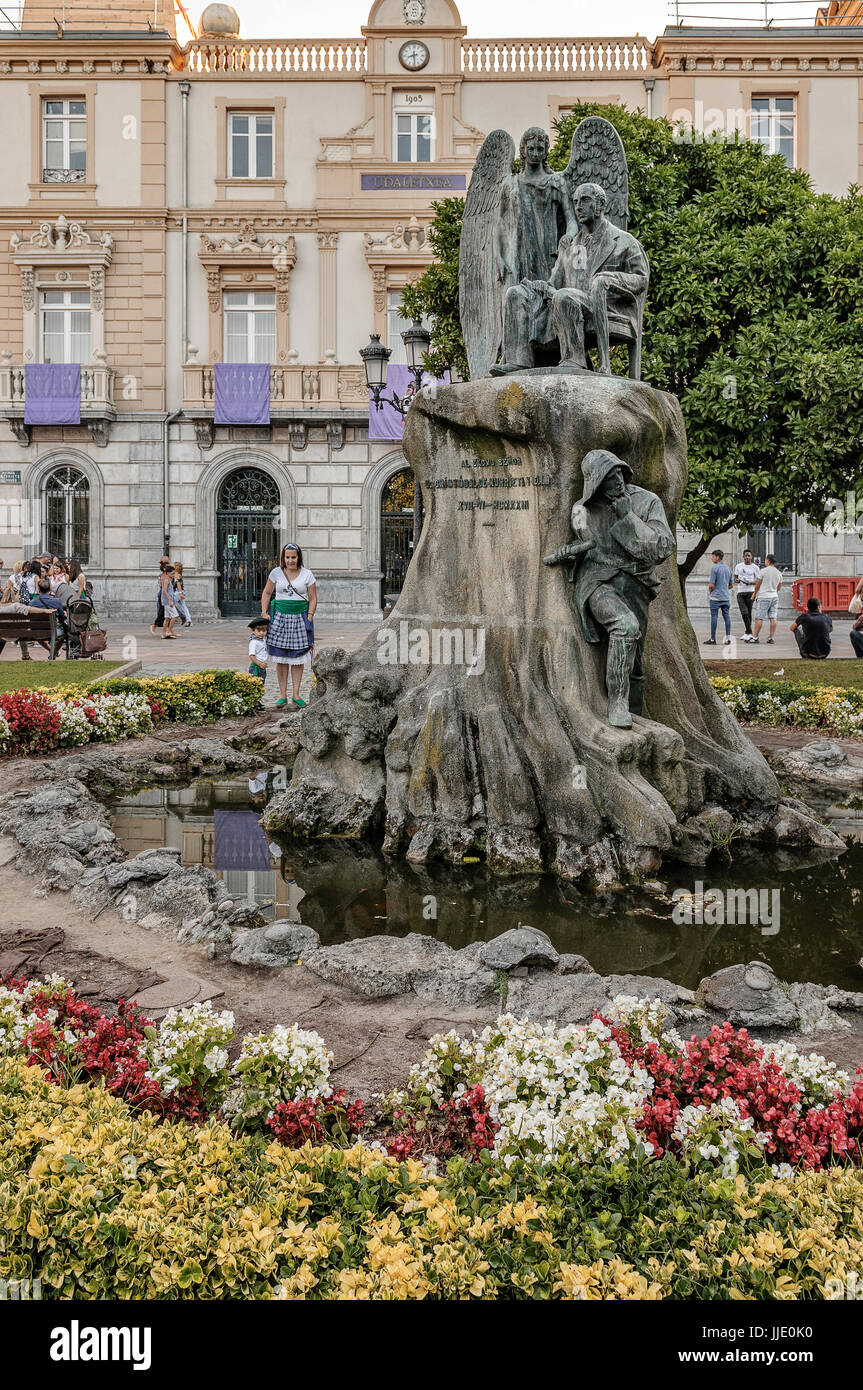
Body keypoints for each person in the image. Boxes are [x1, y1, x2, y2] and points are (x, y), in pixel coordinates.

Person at [260, 543, 317, 709]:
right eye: (287, 557)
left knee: (298, 659)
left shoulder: (307, 575)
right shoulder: (276, 573)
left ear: (298, 557)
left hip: (300, 617)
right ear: (283, 558)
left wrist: (310, 615)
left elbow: (313, 598)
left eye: (293, 557)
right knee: (281, 658)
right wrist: (264, 611)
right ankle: (282, 695)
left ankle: (296, 694)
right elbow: (267, 593)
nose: (290, 560)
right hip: (279, 618)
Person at [28, 576, 67, 654]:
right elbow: (62, 618)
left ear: (38, 590)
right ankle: (54, 653)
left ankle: (52, 652)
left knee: (39, 638)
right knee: (62, 636)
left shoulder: (32, 602)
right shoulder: (56, 601)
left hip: (36, 631)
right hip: (53, 631)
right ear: (50, 590)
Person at [751, 553, 782, 644]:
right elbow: (779, 587)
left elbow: (757, 585)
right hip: (774, 597)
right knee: (773, 617)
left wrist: (754, 594)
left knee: (759, 618)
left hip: (764, 596)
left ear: (768, 560)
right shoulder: (778, 573)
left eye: (765, 560)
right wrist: (773, 591)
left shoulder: (763, 571)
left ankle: (755, 637)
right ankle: (771, 637)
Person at [704, 547, 733, 646]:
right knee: (727, 617)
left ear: (717, 557)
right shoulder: (728, 569)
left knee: (714, 617)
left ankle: (713, 639)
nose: (712, 559)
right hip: (725, 597)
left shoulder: (714, 568)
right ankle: (728, 638)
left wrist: (711, 592)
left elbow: (711, 585)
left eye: (713, 557)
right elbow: (731, 585)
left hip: (715, 597)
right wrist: (724, 588)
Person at [734, 549, 760, 641]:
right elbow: (735, 577)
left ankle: (748, 632)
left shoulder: (755, 567)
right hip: (740, 592)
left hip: (751, 592)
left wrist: (751, 583)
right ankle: (749, 632)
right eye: (746, 556)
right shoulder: (738, 566)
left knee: (748, 612)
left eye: (749, 555)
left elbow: (758, 581)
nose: (747, 557)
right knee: (744, 612)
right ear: (743, 556)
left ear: (751, 557)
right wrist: (736, 580)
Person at [150, 555, 171, 635]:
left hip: (166, 595)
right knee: (163, 612)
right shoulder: (163, 576)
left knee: (167, 614)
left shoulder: (166, 575)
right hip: (164, 595)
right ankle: (155, 625)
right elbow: (163, 588)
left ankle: (168, 631)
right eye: (167, 562)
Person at [160, 564, 179, 639]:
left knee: (167, 618)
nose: (174, 575)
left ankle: (164, 633)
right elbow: (164, 591)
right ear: (168, 573)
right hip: (168, 602)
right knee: (175, 616)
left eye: (174, 573)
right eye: (172, 573)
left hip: (167, 601)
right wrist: (169, 601)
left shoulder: (168, 580)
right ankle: (169, 631)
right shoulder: (167, 580)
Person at [172, 561, 192, 627]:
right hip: (181, 592)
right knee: (184, 606)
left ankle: (175, 617)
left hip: (178, 593)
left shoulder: (176, 575)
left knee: (170, 605)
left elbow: (178, 585)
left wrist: (180, 594)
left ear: (176, 568)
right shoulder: (179, 574)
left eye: (173, 566)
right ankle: (189, 620)